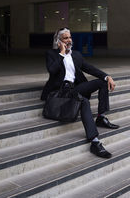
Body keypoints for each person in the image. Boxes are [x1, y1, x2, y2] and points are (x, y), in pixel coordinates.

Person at [41, 27, 119, 158]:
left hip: (75, 88)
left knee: (102, 82)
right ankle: (95, 142)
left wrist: (107, 77)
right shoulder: (52, 54)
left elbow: (90, 68)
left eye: (70, 37)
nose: (69, 40)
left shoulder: (76, 54)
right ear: (58, 41)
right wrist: (61, 53)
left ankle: (100, 117)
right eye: (65, 38)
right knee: (84, 102)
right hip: (61, 92)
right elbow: (52, 71)